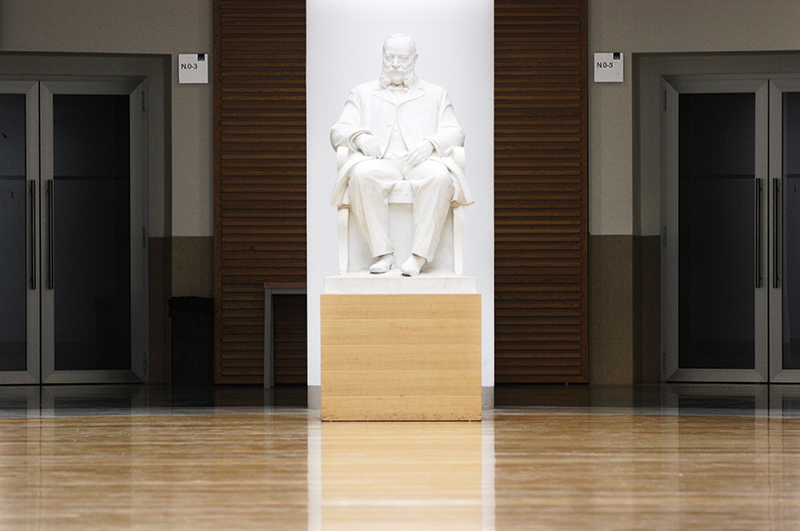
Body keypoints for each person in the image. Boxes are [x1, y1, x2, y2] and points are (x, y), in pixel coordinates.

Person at [330, 33, 473, 276]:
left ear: (415, 59)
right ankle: (382, 253)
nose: (395, 64)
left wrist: (431, 143)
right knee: (361, 174)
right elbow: (338, 131)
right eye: (389, 57)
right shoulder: (362, 93)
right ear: (382, 58)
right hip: (380, 162)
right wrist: (359, 137)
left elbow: (455, 133)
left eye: (402, 58)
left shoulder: (436, 94)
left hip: (420, 162)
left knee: (439, 177)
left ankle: (419, 256)